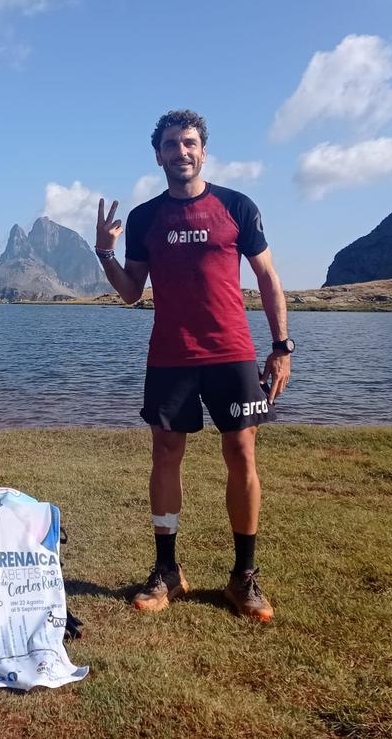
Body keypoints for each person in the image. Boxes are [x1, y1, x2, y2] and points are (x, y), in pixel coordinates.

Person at [93, 109, 293, 621]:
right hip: (171, 353)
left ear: (203, 150)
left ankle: (243, 577)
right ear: (157, 155)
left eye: (188, 143)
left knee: (242, 451)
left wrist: (281, 346)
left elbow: (268, 277)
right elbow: (133, 293)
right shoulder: (144, 218)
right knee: (166, 452)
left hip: (232, 351)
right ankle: (168, 571)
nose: (180, 152)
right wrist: (104, 254)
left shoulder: (236, 207)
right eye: (170, 145)